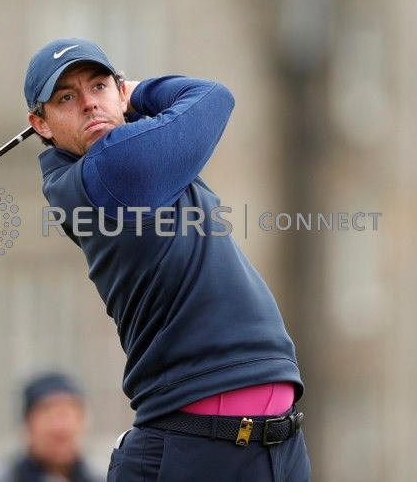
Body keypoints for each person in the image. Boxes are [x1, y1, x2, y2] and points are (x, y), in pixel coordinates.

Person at [24, 38, 310, 480]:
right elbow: (212, 97)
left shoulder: (138, 155)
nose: (88, 104)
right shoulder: (106, 173)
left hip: (277, 446)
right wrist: (135, 93)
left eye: (98, 86)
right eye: (65, 98)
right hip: (195, 447)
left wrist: (123, 100)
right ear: (40, 124)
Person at [0, 372, 98, 482]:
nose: (59, 426)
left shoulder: (101, 477)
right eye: (47, 414)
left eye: (67, 414)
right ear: (27, 423)